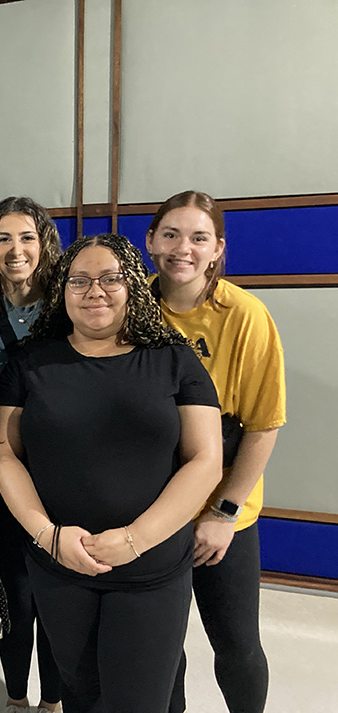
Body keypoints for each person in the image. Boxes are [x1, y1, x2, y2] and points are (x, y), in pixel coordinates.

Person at [0, 233, 223, 713]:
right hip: (60, 566)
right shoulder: (30, 363)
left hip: (150, 570)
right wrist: (47, 535)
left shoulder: (174, 360)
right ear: (62, 291)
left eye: (110, 278)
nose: (94, 290)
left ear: (132, 285)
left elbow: (206, 461)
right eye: (79, 280)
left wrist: (135, 538)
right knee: (82, 695)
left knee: (136, 702)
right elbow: (3, 453)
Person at [146, 191, 286, 713]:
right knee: (162, 649)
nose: (183, 248)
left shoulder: (246, 316)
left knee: (236, 645)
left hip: (220, 514)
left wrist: (224, 513)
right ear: (151, 241)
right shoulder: (131, 309)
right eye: (171, 234)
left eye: (198, 237)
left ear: (217, 249)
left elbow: (265, 425)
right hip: (153, 507)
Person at [0, 197, 63, 713]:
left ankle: (53, 702)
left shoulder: (66, 302)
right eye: (4, 238)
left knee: (56, 589)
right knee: (14, 588)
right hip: (0, 461)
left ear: (44, 243)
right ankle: (15, 699)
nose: (16, 250)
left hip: (60, 464)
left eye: (27, 237)